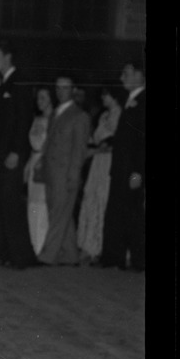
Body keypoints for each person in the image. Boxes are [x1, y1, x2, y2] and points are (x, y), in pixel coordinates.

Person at [0, 41, 37, 268]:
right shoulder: (4, 84)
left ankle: (21, 257)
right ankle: (0, 253)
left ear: (7, 57)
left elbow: (24, 120)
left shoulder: (18, 83)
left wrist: (15, 150)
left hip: (10, 156)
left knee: (11, 205)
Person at [37, 75, 91, 265]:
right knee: (61, 213)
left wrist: (74, 176)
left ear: (73, 90)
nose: (60, 91)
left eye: (65, 88)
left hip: (66, 173)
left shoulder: (79, 116)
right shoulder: (55, 114)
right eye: (58, 88)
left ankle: (47, 255)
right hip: (52, 172)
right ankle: (70, 255)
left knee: (58, 214)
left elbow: (79, 150)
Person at [100, 63, 145, 271]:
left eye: (126, 73)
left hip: (133, 171)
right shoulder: (129, 100)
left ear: (139, 75)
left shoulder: (143, 101)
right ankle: (113, 258)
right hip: (121, 169)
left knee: (133, 214)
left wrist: (138, 172)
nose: (121, 78)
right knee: (118, 213)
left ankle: (137, 260)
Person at [76, 85, 121, 264]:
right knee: (92, 198)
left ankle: (100, 247)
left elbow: (115, 142)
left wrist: (98, 149)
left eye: (106, 94)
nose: (103, 98)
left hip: (109, 162)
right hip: (97, 163)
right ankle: (89, 247)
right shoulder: (103, 116)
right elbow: (96, 140)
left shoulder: (120, 114)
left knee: (103, 199)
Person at [25, 87, 53, 256]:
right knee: (32, 204)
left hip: (45, 163)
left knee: (42, 205)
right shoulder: (37, 119)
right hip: (34, 161)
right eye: (38, 98)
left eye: (44, 97)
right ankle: (33, 245)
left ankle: (41, 246)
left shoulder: (54, 119)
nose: (39, 101)